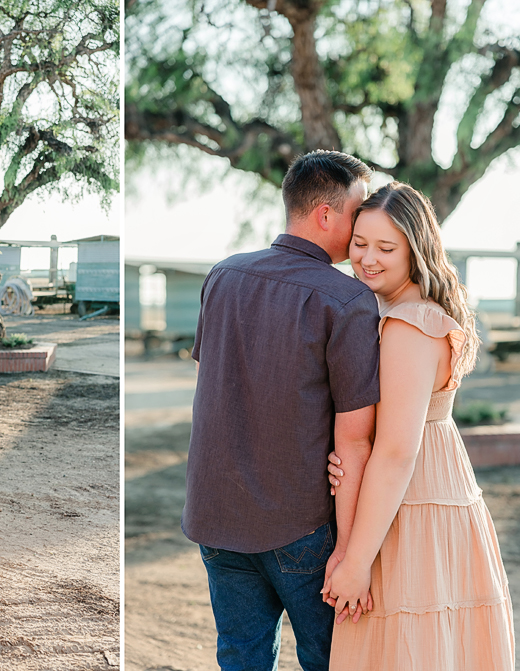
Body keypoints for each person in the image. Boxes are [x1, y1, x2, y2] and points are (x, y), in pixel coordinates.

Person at [181, 150, 381, 670]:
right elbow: (354, 441)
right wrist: (349, 551)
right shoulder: (348, 300)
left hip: (216, 516)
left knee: (241, 660)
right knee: (330, 661)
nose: (362, 228)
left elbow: (215, 390)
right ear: (325, 214)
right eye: (357, 213)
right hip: (302, 523)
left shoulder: (221, 276)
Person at [323, 182, 514, 668]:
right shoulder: (401, 313)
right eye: (359, 243)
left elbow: (395, 451)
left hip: (411, 497)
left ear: (417, 250)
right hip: (425, 488)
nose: (366, 258)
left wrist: (355, 562)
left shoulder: (408, 325)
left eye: (386, 248)